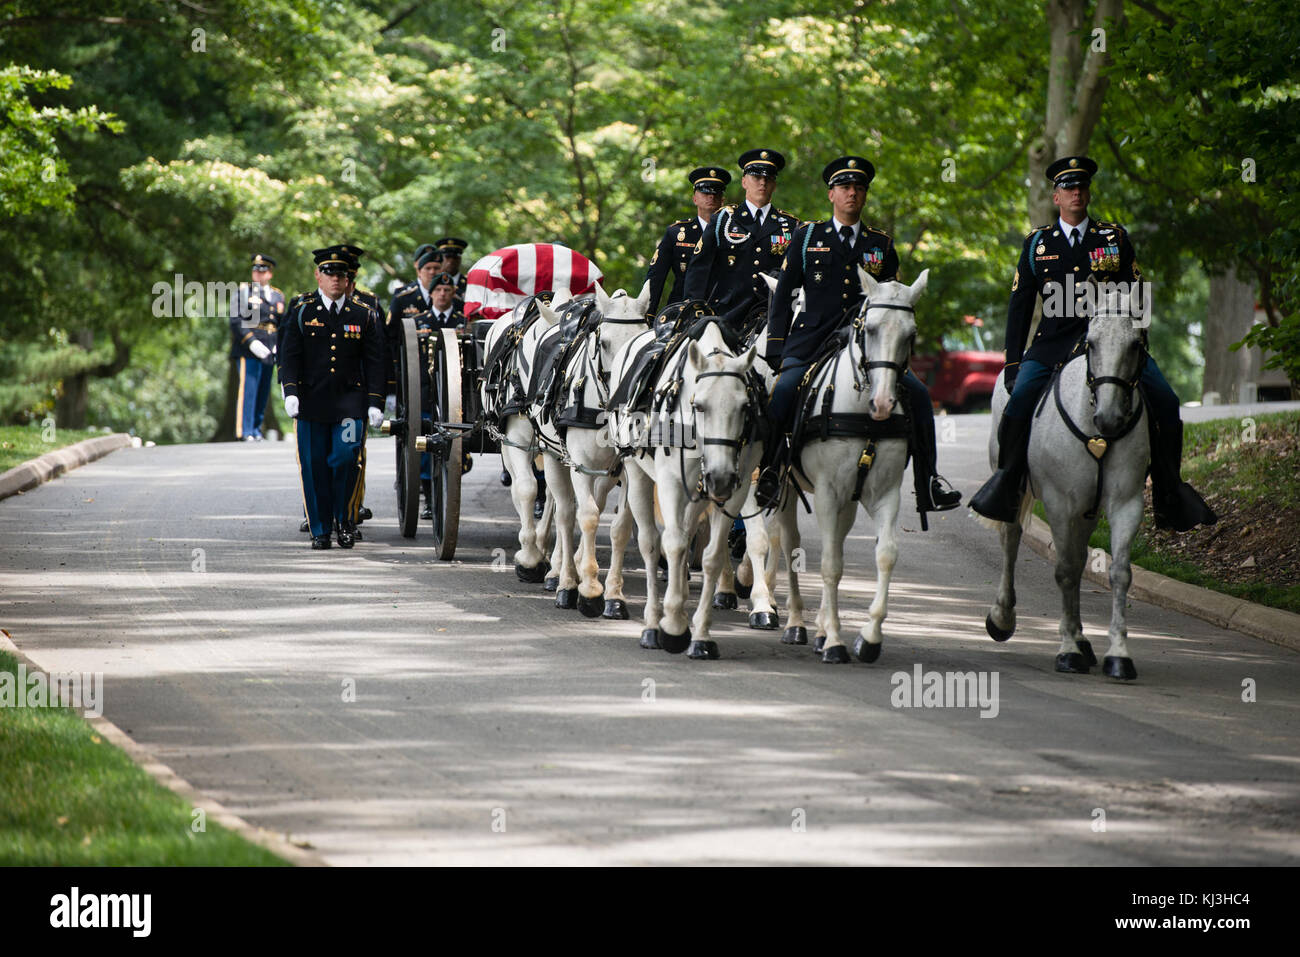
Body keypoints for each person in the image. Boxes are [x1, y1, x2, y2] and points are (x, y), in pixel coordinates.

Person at [969, 155, 1216, 531]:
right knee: (1017, 402)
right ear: (1056, 197)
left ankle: (1169, 492)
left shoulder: (1113, 238)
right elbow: (1019, 308)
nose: (1076, 193)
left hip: (1113, 342)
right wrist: (1013, 362)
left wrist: (1137, 340)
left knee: (1166, 400)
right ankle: (1007, 482)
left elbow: (1138, 295)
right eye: (1068, 188)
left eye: (1081, 186)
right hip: (1052, 344)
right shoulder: (1037, 244)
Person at [756, 155, 962, 518]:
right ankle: (771, 472)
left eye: (859, 188)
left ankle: (928, 481)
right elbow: (783, 297)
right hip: (812, 340)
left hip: (868, 345)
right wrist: (777, 347)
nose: (852, 193)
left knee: (916, 395)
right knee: (784, 392)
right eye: (845, 187)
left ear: (864, 195)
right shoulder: (807, 238)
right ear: (831, 194)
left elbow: (895, 299)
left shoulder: (880, 245)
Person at [281, 246, 386, 549]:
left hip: (350, 406)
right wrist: (290, 392)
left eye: (341, 274)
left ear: (347, 278)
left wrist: (375, 402)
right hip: (311, 404)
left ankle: (345, 520)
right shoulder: (303, 311)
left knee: (345, 459)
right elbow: (289, 356)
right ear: (318, 276)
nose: (336, 280)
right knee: (314, 467)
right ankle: (321, 529)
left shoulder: (363, 315)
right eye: (330, 274)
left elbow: (376, 361)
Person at [683, 149, 800, 315]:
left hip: (772, 315)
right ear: (744, 181)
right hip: (727, 315)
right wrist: (694, 310)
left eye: (768, 178)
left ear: (774, 185)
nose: (763, 183)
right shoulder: (724, 220)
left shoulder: (790, 225)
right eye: (757, 177)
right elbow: (699, 269)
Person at [644, 166, 731, 315]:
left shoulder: (733, 234)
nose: (711, 196)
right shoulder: (676, 233)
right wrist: (648, 315)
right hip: (681, 312)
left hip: (724, 312)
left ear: (723, 199)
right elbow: (656, 278)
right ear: (694, 199)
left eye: (716, 192)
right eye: (705, 191)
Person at [229, 253, 285, 441]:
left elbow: (281, 323)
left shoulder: (278, 295)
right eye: (255, 270)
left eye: (262, 271)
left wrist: (279, 344)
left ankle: (255, 429)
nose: (258, 274)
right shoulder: (244, 291)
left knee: (263, 389)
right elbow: (236, 320)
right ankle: (244, 431)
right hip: (249, 347)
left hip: (270, 346)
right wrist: (252, 342)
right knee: (249, 388)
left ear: (270, 273)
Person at [434, 237, 469, 307]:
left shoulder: (469, 285)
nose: (451, 261)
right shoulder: (432, 282)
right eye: (447, 257)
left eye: (455, 257)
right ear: (440, 258)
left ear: (460, 259)